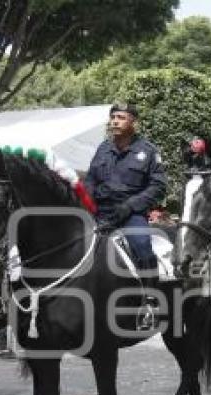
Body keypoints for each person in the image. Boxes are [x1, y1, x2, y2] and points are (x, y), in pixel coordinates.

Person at [84, 102, 167, 331]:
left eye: (121, 117)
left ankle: (150, 302)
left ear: (133, 122)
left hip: (131, 213)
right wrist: (87, 201)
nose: (115, 122)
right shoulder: (103, 148)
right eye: (113, 117)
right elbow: (90, 179)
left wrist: (130, 206)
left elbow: (157, 187)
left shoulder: (148, 151)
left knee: (142, 245)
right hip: (100, 212)